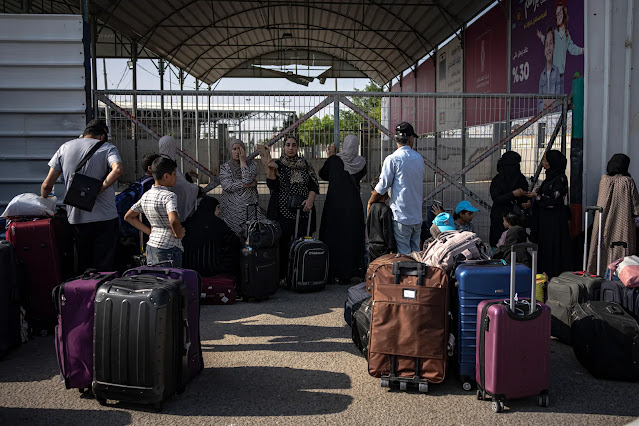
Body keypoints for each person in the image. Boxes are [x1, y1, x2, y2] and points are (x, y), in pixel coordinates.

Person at [41, 119, 123, 272]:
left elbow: (46, 185)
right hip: (105, 218)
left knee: (84, 265)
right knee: (105, 267)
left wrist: (44, 204)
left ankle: (83, 293)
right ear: (102, 136)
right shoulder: (107, 148)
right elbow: (117, 169)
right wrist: (100, 187)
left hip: (77, 218)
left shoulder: (65, 148)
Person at [262, 135, 320, 281]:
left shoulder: (305, 164)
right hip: (283, 212)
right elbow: (272, 186)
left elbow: (314, 185)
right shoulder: (277, 164)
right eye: (288, 145)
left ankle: (300, 275)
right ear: (284, 147)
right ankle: (283, 276)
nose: (291, 148)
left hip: (303, 211)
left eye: (294, 145)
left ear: (297, 147)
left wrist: (310, 200)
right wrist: (270, 170)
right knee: (282, 245)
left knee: (301, 243)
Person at [367, 122, 425, 254]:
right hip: (416, 216)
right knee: (416, 253)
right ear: (411, 139)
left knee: (403, 256)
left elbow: (382, 186)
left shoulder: (392, 159)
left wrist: (371, 200)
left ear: (396, 139)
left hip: (401, 216)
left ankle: (407, 275)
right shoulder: (419, 158)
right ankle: (418, 275)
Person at [319, 135, 367, 284]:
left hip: (334, 205)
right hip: (353, 206)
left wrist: (331, 156)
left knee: (333, 237)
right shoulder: (361, 162)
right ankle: (349, 272)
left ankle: (332, 273)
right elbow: (360, 175)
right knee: (350, 238)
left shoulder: (334, 160)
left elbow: (323, 174)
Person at [124, 156, 186, 267]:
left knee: (156, 280)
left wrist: (149, 231)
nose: (176, 177)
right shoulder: (169, 196)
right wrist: (178, 233)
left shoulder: (146, 195)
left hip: (152, 246)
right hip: (169, 248)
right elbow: (173, 220)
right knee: (171, 281)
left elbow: (128, 217)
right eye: (174, 174)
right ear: (166, 176)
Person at [587, 154, 639, 275]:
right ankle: (620, 275)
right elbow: (636, 208)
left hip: (603, 222)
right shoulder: (628, 181)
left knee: (602, 248)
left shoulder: (604, 180)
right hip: (623, 225)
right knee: (622, 250)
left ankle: (598, 272)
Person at [530, 150, 571, 278]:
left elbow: (554, 201)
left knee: (553, 248)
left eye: (546, 161)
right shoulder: (549, 178)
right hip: (545, 221)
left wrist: (536, 197)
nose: (543, 164)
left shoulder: (560, 179)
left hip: (554, 222)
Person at [182, 196, 241, 278]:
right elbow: (234, 241)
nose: (220, 211)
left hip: (189, 266)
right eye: (218, 207)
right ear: (211, 207)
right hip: (212, 268)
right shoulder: (217, 223)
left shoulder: (189, 222)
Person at [536, 0, 584, 91]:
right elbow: (547, 41)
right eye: (557, 14)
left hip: (561, 75)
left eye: (560, 14)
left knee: (560, 100)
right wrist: (541, 37)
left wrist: (582, 50)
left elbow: (572, 48)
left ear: (564, 16)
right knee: (553, 100)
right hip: (553, 74)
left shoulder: (566, 35)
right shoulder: (554, 33)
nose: (558, 16)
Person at [219, 139, 262, 237]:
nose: (237, 151)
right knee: (233, 238)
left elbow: (246, 179)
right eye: (234, 149)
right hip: (231, 211)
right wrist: (249, 185)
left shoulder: (252, 165)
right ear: (230, 150)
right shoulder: (225, 168)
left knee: (249, 236)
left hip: (248, 210)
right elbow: (227, 186)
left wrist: (243, 162)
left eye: (240, 149)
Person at [489, 151, 531, 247]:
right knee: (499, 243)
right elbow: (496, 198)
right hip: (500, 216)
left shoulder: (520, 178)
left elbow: (524, 197)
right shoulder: (498, 180)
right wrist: (512, 194)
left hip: (516, 217)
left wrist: (527, 202)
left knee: (517, 243)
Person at [158, 135, 200, 222]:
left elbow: (177, 179)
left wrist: (185, 176)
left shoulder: (159, 162)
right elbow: (181, 186)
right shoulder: (168, 164)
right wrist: (197, 189)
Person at [367, 188, 397, 261]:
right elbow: (387, 231)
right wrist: (392, 248)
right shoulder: (385, 209)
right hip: (383, 248)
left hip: (372, 245)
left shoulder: (371, 207)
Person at [538, 27, 562, 113]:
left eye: (550, 44)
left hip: (555, 115)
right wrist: (544, 106)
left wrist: (551, 104)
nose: (548, 48)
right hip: (544, 116)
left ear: (554, 47)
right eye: (546, 45)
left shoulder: (557, 72)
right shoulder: (542, 75)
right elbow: (539, 102)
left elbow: (559, 98)